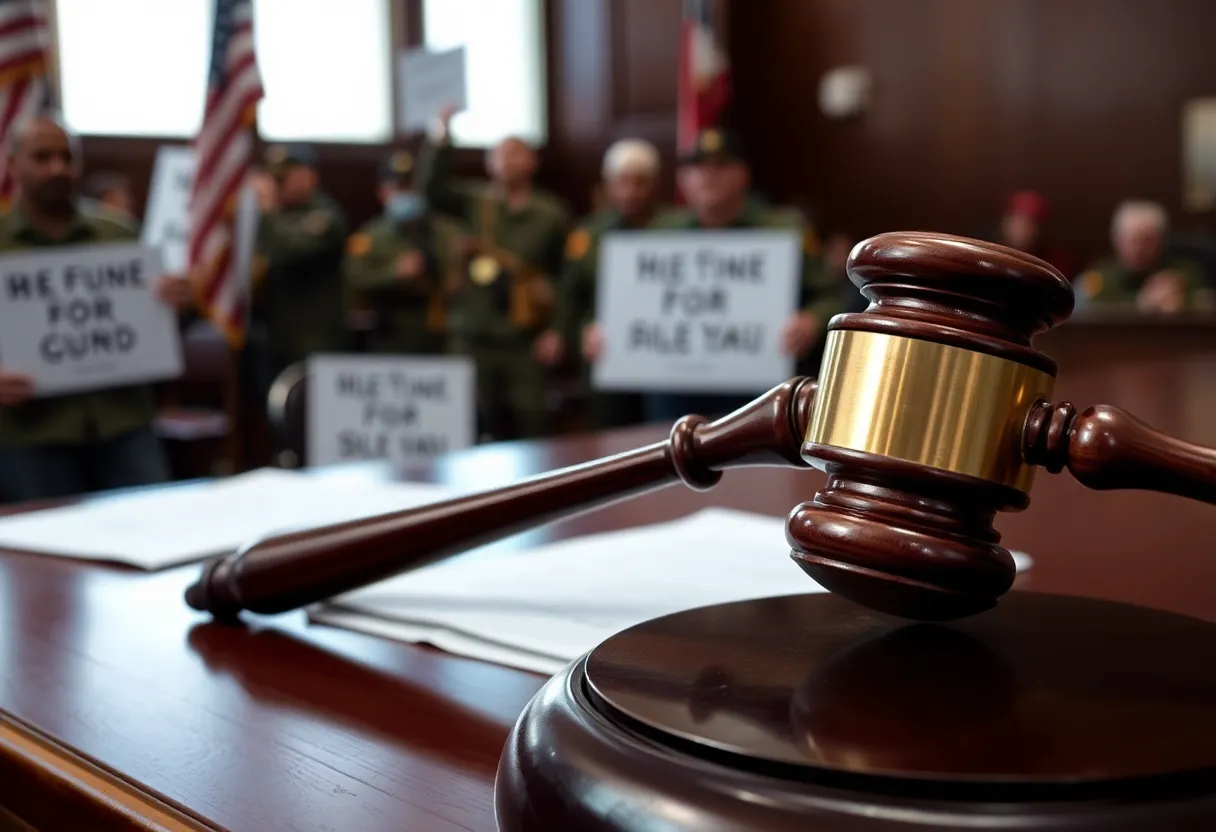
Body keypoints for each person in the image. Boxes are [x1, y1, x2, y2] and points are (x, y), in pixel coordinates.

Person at [0, 115, 194, 503]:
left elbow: (161, 326)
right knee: (46, 555)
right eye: (42, 157)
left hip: (124, 423)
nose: (58, 167)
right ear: (13, 164)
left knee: (155, 532)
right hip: (33, 433)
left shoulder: (118, 233)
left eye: (66, 157)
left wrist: (178, 302)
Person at [643, 128, 843, 422]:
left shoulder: (783, 230)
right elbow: (634, 306)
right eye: (697, 168)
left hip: (759, 390)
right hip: (676, 393)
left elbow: (830, 296)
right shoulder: (659, 235)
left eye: (720, 167)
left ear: (742, 175)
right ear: (682, 179)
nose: (708, 176)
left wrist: (811, 320)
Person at [418, 106, 572, 439]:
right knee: (472, 420)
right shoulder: (476, 202)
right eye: (499, 155)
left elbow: (566, 277)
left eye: (516, 153)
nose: (507, 161)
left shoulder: (551, 214)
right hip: (472, 331)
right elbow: (432, 191)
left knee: (532, 421)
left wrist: (558, 329)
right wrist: (442, 135)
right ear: (490, 164)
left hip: (523, 335)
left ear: (532, 162)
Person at [536, 138, 666, 429]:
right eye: (622, 182)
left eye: (640, 182)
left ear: (655, 184)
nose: (631, 192)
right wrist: (570, 332)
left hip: (664, 360)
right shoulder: (589, 235)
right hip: (606, 354)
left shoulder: (676, 229)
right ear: (608, 185)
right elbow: (571, 297)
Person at [342, 151, 463, 355]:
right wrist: (393, 273)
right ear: (382, 193)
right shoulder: (369, 237)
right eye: (398, 188)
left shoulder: (444, 231)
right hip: (389, 334)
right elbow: (353, 279)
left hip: (439, 332)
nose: (406, 195)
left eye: (410, 187)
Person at [252, 143, 348, 380]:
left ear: (310, 176)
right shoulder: (276, 218)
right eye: (274, 178)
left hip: (313, 342)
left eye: (284, 177)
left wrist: (266, 212)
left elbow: (289, 249)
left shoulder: (324, 217)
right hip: (275, 338)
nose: (277, 184)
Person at [1076, 201, 1209, 314]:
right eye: (1132, 240)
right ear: (1117, 241)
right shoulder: (1100, 276)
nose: (1138, 248)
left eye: (1146, 240)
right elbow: (1082, 309)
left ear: (1161, 241)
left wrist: (1181, 303)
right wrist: (1139, 304)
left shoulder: (1184, 272)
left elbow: (1205, 302)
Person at [995, 190, 1073, 276]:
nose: (1021, 228)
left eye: (1028, 222)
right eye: (1017, 220)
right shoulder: (992, 256)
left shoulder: (1055, 265)